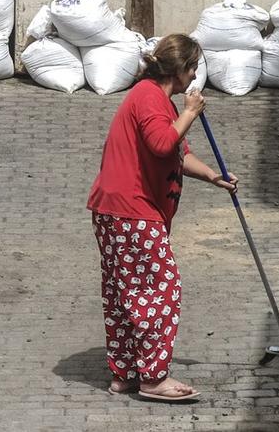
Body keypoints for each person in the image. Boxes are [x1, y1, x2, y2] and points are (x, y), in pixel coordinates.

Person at [85, 33, 238, 403]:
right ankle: (153, 377)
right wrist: (190, 112)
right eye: (194, 69)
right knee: (161, 289)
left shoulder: (156, 100)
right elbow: (161, 144)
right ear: (182, 70)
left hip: (115, 210)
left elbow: (178, 154)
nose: (195, 77)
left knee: (126, 291)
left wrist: (213, 177)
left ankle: (125, 373)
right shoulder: (150, 97)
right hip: (131, 211)